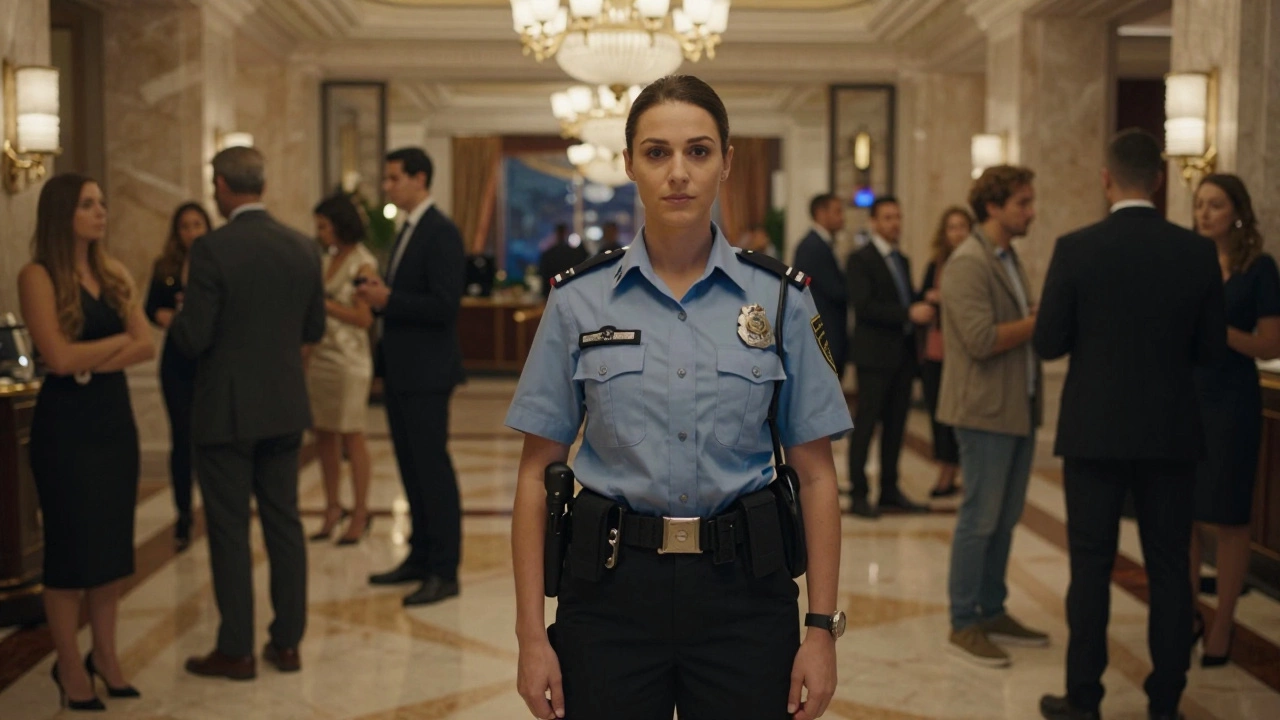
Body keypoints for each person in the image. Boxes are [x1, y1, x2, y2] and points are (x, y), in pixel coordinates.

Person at [506, 74, 850, 720]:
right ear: (629, 163)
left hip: (745, 595)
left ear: (727, 162)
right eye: (657, 152)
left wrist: (822, 629)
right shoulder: (578, 300)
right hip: (609, 595)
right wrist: (530, 636)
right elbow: (534, 474)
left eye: (698, 151)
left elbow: (817, 476)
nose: (679, 173)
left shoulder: (780, 298)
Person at [1033, 129, 1226, 720]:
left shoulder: (1076, 247)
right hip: (1170, 431)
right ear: (1160, 180)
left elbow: (1048, 342)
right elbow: (1212, 350)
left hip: (1094, 431)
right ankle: (1165, 702)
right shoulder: (1195, 252)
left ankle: (1084, 698)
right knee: (1169, 568)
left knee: (1090, 567)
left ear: (1105, 179)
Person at [172, 146, 326, 680]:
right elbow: (314, 328)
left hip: (226, 411)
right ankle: (287, 644)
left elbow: (194, 338)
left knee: (229, 530)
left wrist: (175, 319)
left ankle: (236, 649)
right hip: (284, 406)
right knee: (284, 524)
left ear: (221, 185)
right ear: (262, 183)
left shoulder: (211, 249)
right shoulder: (302, 246)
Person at [18, 173, 155, 710]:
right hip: (66, 430)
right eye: (87, 205)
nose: (101, 212)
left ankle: (107, 656)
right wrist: (115, 344)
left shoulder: (112, 272)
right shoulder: (38, 275)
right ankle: (70, 666)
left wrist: (90, 358)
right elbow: (57, 358)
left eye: (102, 203)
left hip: (113, 424)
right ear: (62, 214)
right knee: (71, 551)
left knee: (111, 550)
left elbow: (146, 345)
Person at [938, 166, 1048, 669]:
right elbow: (981, 339)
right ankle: (964, 621)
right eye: (1022, 203)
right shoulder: (968, 261)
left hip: (1016, 407)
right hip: (984, 411)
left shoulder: (1007, 257)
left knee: (1004, 520)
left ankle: (993, 608)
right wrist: (1036, 322)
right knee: (980, 520)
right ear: (993, 207)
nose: (1031, 212)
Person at [358, 147, 466, 606]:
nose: (387, 187)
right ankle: (419, 557)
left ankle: (444, 570)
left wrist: (388, 299)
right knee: (411, 469)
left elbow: (444, 304)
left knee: (431, 470)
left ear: (420, 179)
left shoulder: (440, 231)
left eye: (394, 178)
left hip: (427, 372)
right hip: (402, 370)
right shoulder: (408, 230)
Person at [1189, 174, 1280, 667]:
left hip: (1232, 402)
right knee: (1182, 513)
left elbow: (1270, 343)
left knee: (1228, 516)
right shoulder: (1188, 261)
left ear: (1237, 213)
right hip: (1186, 398)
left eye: (1216, 205)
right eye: (1199, 204)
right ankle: (1187, 614)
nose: (1204, 214)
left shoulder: (1259, 268)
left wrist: (1219, 332)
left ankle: (1223, 622)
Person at [844, 196, 934, 517]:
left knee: (896, 426)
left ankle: (889, 490)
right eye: (887, 217)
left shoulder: (902, 260)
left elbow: (903, 298)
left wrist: (924, 298)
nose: (894, 223)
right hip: (873, 356)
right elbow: (864, 306)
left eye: (897, 217)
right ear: (873, 222)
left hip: (902, 356)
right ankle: (858, 492)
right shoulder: (860, 259)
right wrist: (909, 312)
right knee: (866, 424)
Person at [307, 193, 378, 545]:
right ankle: (332, 506)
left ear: (339, 225)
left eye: (323, 226)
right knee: (324, 433)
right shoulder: (326, 260)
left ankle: (361, 511)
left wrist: (326, 306)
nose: (319, 233)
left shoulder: (363, 264)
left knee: (351, 433)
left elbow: (364, 319)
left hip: (349, 360)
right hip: (321, 357)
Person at [145, 201, 212, 551]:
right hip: (177, 362)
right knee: (182, 438)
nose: (191, 232)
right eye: (185, 226)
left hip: (209, 360)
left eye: (197, 225)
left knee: (211, 437)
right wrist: (166, 316)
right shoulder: (166, 267)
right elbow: (150, 307)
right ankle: (183, 513)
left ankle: (215, 507)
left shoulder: (217, 262)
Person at [919, 207, 971, 498]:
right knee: (938, 415)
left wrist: (945, 297)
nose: (957, 233)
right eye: (952, 227)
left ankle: (955, 471)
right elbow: (923, 295)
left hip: (962, 352)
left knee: (958, 417)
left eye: (962, 226)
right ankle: (944, 470)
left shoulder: (974, 264)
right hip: (935, 350)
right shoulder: (936, 264)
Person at [793, 193, 848, 376]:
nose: (842, 217)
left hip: (830, 334)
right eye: (837, 211)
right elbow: (834, 290)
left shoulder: (823, 244)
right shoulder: (812, 247)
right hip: (824, 335)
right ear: (821, 213)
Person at [538, 223, 588, 299]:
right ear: (566, 233)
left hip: (552, 292)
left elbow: (543, 275)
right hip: (570, 291)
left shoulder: (549, 253)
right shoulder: (573, 253)